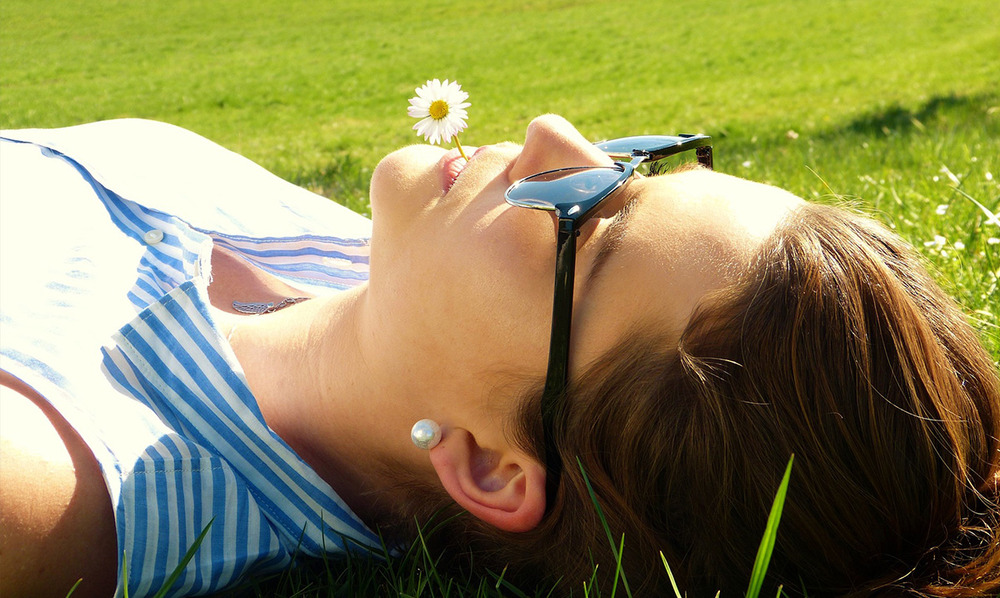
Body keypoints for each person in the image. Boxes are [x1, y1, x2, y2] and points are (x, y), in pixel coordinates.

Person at [0, 114, 997, 597]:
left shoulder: (54, 478)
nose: (552, 136)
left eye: (582, 224)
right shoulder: (380, 271)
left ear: (491, 463)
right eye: (628, 171)